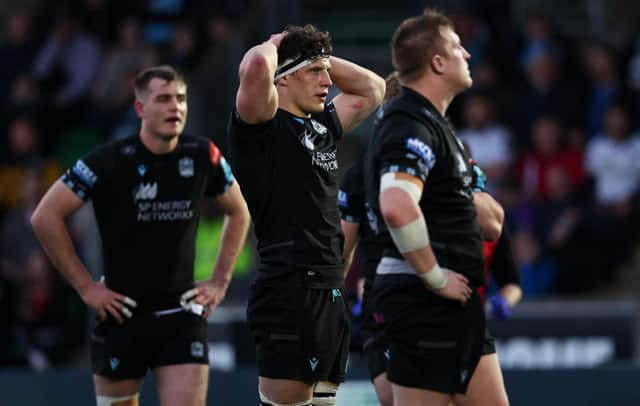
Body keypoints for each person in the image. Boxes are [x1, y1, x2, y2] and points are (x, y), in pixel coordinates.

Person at [31, 65, 250, 406]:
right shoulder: (109, 160)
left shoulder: (202, 154)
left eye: (180, 99)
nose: (174, 107)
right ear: (140, 108)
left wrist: (220, 280)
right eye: (163, 99)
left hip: (181, 314)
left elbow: (239, 211)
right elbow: (45, 216)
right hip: (121, 314)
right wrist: (86, 287)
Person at [228, 24, 385, 406]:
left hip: (331, 289)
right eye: (316, 72)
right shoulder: (259, 129)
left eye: (327, 71)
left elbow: (374, 89)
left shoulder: (322, 127)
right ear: (283, 79)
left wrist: (318, 55)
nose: (328, 81)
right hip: (289, 288)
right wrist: (276, 45)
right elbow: (253, 68)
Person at [364, 9, 509, 406]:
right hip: (424, 300)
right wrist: (433, 276)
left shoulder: (439, 128)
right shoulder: (409, 125)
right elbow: (395, 205)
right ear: (437, 63)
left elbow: (494, 222)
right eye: (458, 47)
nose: (468, 54)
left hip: (457, 303)